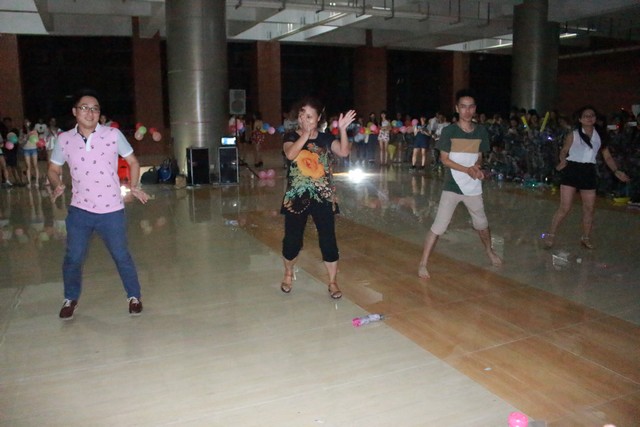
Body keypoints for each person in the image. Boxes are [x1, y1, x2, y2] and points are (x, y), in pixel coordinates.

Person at [47, 89, 149, 320]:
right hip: (80, 210)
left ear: (99, 113)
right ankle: (70, 298)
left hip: (111, 209)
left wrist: (134, 186)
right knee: (73, 257)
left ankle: (134, 296)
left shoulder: (112, 135)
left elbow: (133, 161)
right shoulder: (64, 139)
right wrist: (57, 183)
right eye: (85, 108)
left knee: (121, 255)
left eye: (95, 109)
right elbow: (53, 169)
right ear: (75, 112)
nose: (90, 112)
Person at [418, 89, 502, 279]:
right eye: (463, 107)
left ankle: (489, 251)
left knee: (482, 224)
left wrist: (477, 167)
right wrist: (467, 170)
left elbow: (479, 155)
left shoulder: (480, 131)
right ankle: (423, 263)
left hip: (473, 187)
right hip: (452, 186)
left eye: (470, 107)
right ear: (457, 109)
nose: (467, 110)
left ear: (475, 109)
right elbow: (445, 159)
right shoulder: (449, 131)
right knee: (439, 226)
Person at [280, 97, 356, 299]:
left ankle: (332, 282)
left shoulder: (325, 138)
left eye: (309, 116)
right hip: (297, 196)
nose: (304, 119)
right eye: (302, 115)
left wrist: (342, 130)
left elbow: (344, 152)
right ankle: (288, 273)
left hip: (323, 196)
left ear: (318, 118)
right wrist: (305, 135)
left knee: (328, 240)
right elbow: (290, 154)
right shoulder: (291, 136)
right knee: (292, 241)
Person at [544, 105, 630, 249]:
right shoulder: (573, 134)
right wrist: (562, 160)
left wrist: (616, 171)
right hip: (572, 170)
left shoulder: (600, 135)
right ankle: (551, 235)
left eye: (592, 116)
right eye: (586, 116)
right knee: (565, 207)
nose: (589, 118)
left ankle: (586, 237)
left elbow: (607, 157)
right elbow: (564, 150)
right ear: (580, 119)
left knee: (589, 208)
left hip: (588, 171)